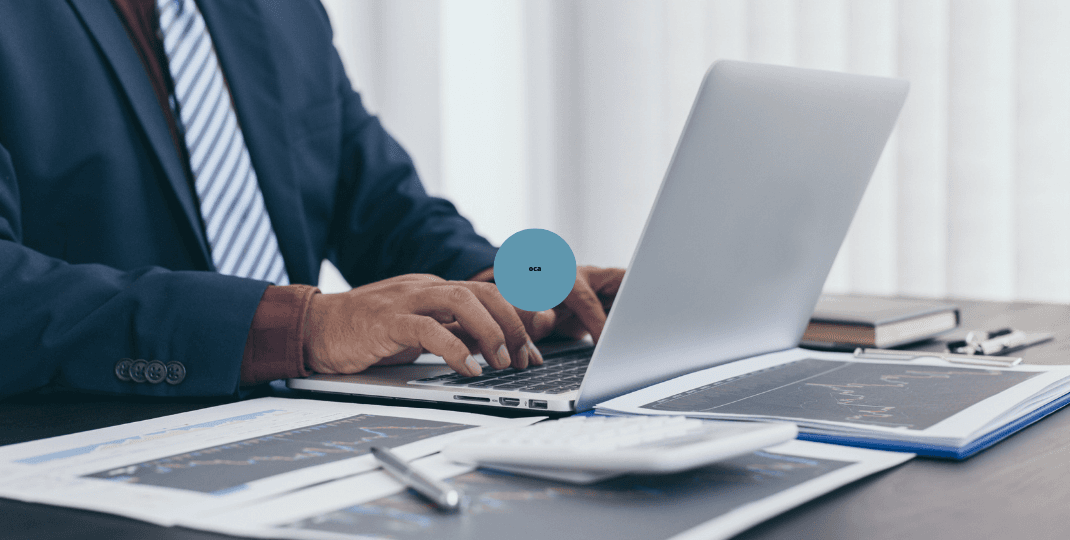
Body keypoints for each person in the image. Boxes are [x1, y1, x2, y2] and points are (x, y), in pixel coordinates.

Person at [0, 0, 624, 399]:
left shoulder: (284, 12)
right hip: (97, 445)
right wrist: (300, 327)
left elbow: (376, 200)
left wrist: (495, 290)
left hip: (309, 429)